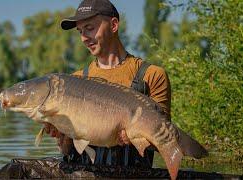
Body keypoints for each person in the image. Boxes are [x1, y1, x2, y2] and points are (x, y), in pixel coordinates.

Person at [43, 0, 171, 167]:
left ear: (114, 25)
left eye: (89, 28)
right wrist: (61, 136)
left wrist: (136, 136)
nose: (84, 38)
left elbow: (166, 141)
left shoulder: (151, 75)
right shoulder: (75, 80)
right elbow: (68, 150)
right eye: (80, 31)